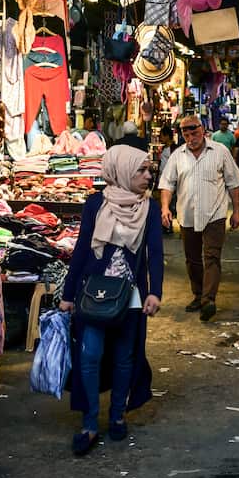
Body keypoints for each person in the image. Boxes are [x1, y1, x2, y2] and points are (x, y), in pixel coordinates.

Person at [59, 146, 163, 456]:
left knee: (123, 357)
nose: (148, 176)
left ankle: (117, 415)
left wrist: (154, 291)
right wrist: (67, 294)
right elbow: (81, 250)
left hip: (130, 295)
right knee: (89, 355)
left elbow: (154, 253)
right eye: (140, 170)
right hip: (93, 293)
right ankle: (89, 423)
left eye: (149, 171)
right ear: (121, 170)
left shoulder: (150, 208)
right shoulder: (95, 204)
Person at [159, 114, 239, 321]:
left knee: (212, 257)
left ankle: (208, 300)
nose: (190, 137)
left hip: (214, 215)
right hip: (187, 215)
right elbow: (167, 184)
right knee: (192, 260)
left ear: (203, 130)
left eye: (194, 132)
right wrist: (164, 208)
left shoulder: (220, 151)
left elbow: (233, 183)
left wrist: (237, 211)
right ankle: (198, 294)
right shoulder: (177, 156)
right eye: (185, 133)